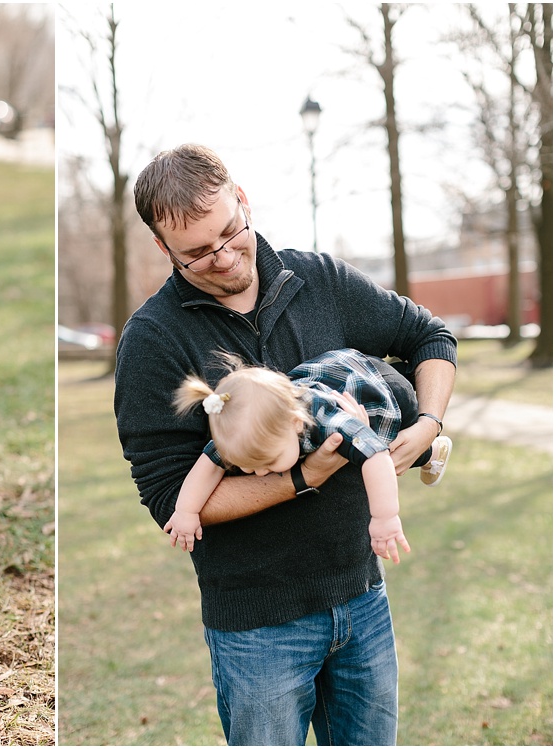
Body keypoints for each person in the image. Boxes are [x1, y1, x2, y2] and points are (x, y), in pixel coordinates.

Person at [114, 143, 456, 745]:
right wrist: (300, 479)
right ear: (163, 249)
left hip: (362, 595)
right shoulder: (152, 341)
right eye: (196, 253)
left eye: (229, 232)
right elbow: (171, 498)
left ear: (242, 200)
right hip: (256, 629)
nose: (222, 258)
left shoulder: (318, 279)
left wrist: (427, 425)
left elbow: (429, 335)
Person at [167, 348, 453, 563]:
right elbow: (209, 464)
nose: (260, 473)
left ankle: (431, 453)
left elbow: (375, 457)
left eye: (267, 463)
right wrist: (186, 511)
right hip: (332, 373)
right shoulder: (246, 429)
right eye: (250, 467)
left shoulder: (331, 420)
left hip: (378, 386)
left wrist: (385, 518)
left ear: (296, 423)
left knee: (385, 449)